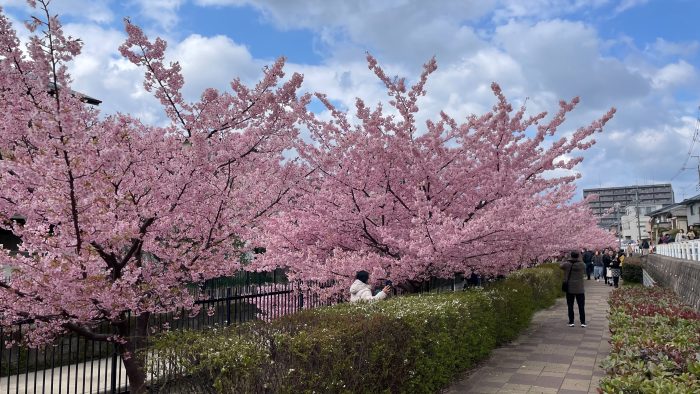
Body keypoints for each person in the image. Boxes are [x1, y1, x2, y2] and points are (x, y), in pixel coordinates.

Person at [560, 251, 586, 327]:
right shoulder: (582, 264)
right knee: (581, 306)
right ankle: (583, 322)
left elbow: (560, 266)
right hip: (580, 289)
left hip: (570, 288)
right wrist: (580, 258)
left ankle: (571, 322)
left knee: (570, 305)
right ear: (578, 256)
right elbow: (584, 265)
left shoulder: (567, 264)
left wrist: (565, 258)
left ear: (571, 256)